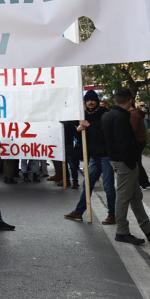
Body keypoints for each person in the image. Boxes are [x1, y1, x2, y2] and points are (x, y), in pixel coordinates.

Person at [103, 89, 150, 245]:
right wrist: (131, 162)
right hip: (124, 162)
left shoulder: (108, 115)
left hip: (116, 160)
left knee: (136, 197)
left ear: (115, 100)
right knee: (124, 198)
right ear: (130, 101)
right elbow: (124, 143)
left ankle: (148, 229)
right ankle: (122, 232)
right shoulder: (121, 117)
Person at [64, 90, 114, 223]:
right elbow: (81, 138)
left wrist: (89, 126)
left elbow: (104, 134)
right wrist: (78, 130)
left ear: (97, 101)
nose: (90, 102)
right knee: (87, 184)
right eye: (87, 100)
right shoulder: (83, 115)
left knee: (108, 186)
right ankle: (79, 212)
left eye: (92, 100)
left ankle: (112, 215)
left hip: (105, 155)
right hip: (93, 156)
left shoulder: (104, 114)